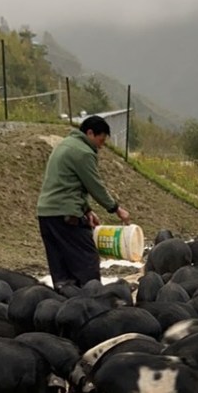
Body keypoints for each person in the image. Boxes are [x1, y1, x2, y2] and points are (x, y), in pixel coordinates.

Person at [36, 115, 132, 286]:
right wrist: (116, 209)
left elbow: (66, 183)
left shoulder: (65, 145)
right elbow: (94, 186)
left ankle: (64, 302)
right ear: (90, 133)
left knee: (62, 271)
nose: (101, 146)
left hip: (46, 214)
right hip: (65, 216)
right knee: (87, 262)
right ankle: (90, 301)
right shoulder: (84, 152)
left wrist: (86, 210)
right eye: (101, 140)